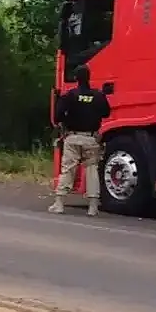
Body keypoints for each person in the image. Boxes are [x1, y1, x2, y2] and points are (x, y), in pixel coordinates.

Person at [49, 64, 111, 216]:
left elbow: (57, 115)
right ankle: (93, 207)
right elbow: (106, 113)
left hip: (73, 137)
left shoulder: (70, 95)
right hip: (91, 138)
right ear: (89, 77)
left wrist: (65, 121)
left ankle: (59, 203)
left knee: (68, 170)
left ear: (76, 78)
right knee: (92, 171)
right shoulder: (98, 96)